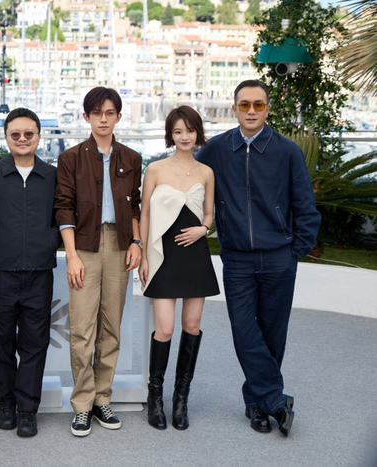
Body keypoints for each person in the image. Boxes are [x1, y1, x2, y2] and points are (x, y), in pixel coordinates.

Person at [197, 80, 321, 437]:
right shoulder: (217, 149)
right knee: (244, 330)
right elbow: (187, 175)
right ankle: (275, 400)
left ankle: (258, 404)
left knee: (273, 333)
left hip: (280, 257)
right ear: (234, 108)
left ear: (268, 109)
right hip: (237, 258)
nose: (251, 111)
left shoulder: (287, 151)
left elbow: (305, 206)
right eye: (244, 105)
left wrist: (295, 250)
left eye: (258, 105)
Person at [54, 86, 143, 437]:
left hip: (119, 244)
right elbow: (63, 207)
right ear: (86, 117)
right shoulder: (71, 158)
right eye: (96, 113)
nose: (103, 119)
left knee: (111, 327)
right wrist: (72, 255)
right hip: (85, 246)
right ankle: (82, 404)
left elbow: (134, 204)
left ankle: (102, 398)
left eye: (109, 113)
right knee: (81, 329)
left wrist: (136, 242)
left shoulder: (131, 158)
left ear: (118, 117)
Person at [0, 108, 60, 438]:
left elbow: (62, 218)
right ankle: (6, 403)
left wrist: (48, 244)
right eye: (16, 134)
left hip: (39, 272)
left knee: (35, 344)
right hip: (0, 273)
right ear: (6, 137)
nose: (22, 139)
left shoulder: (52, 176)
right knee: (1, 341)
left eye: (29, 134)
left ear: (38, 136)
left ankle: (27, 409)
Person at [138, 105, 219, 431]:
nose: (185, 136)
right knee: (166, 328)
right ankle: (155, 397)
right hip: (163, 254)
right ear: (170, 135)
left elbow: (209, 215)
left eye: (190, 130)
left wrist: (204, 229)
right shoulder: (155, 169)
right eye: (178, 131)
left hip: (195, 254)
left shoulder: (206, 172)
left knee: (193, 324)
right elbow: (144, 213)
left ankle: (181, 399)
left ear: (198, 133)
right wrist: (144, 255)